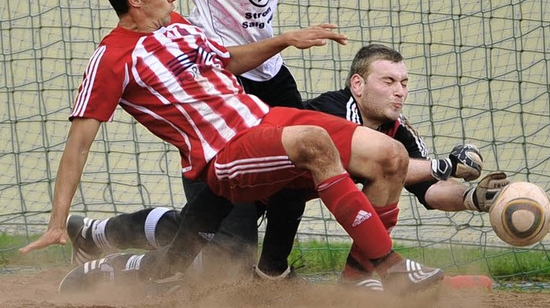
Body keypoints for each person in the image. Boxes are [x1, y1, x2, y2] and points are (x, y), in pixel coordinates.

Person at [21, 0, 444, 294]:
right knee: (229, 254)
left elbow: (230, 61)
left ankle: (355, 287)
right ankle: (390, 266)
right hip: (223, 156)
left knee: (391, 156)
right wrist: (57, 221)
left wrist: (285, 39)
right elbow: (78, 145)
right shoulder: (111, 58)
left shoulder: (181, 26)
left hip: (266, 120)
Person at [18, 0, 314, 278]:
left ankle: (273, 272)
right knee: (225, 243)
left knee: (303, 170)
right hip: (220, 78)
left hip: (263, 69)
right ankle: (109, 244)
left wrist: (282, 40)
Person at [53, 43, 507, 290]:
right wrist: (444, 163)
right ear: (357, 84)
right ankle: (98, 236)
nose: (399, 91)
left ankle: (356, 286)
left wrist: (473, 198)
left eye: (404, 82)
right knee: (216, 263)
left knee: (240, 270)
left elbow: (425, 188)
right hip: (248, 181)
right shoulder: (330, 111)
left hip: (283, 202)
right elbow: (410, 168)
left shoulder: (397, 136)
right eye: (388, 81)